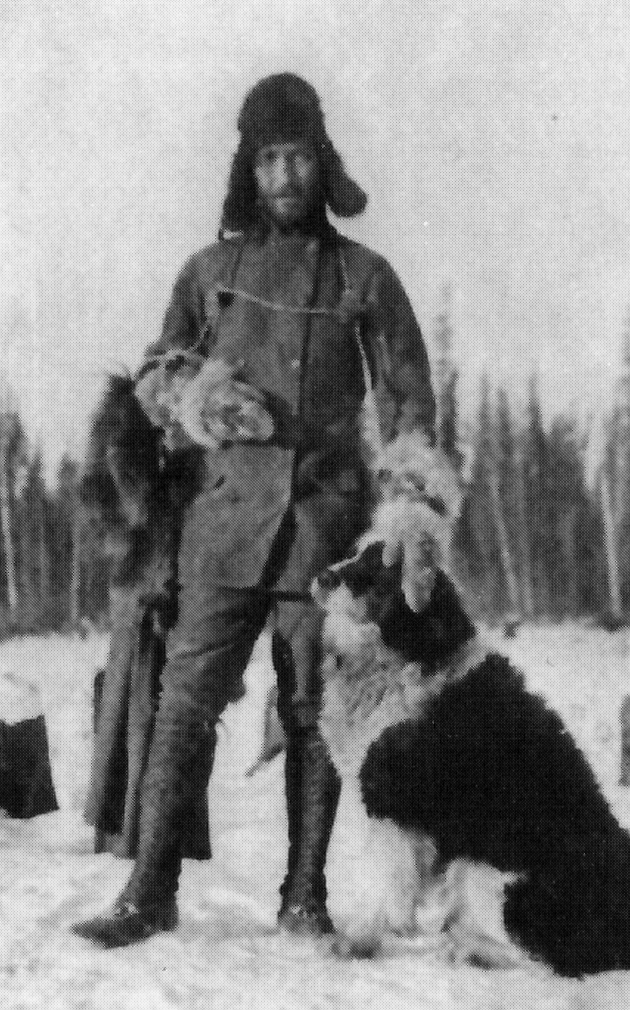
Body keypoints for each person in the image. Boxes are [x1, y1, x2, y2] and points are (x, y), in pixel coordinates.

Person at [72, 73, 435, 948]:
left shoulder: (363, 277)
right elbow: (156, 374)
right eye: (268, 158)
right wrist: (196, 397)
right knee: (185, 697)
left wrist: (405, 516)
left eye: (298, 156)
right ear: (249, 167)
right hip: (224, 523)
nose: (284, 176)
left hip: (325, 528)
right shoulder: (211, 274)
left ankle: (304, 896)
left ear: (323, 161)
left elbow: (410, 403)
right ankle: (148, 890)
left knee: (313, 706)